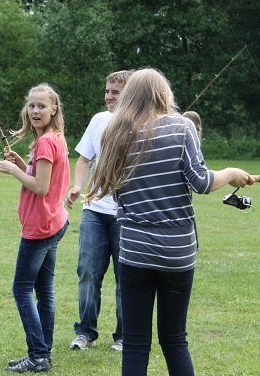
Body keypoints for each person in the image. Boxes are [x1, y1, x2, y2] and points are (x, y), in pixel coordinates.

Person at [85, 68, 255, 376]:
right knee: (175, 340)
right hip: (178, 253)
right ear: (164, 95)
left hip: (135, 252)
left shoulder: (115, 133)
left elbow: (115, 191)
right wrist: (231, 173)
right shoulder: (183, 126)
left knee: (135, 344)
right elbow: (202, 182)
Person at [0, 84, 70, 373]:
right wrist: (22, 165)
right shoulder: (54, 138)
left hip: (40, 227)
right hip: (54, 222)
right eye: (31, 106)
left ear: (54, 109)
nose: (35, 111)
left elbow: (40, 187)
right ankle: (43, 353)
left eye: (41, 106)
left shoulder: (46, 142)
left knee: (22, 288)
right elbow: (40, 177)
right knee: (45, 291)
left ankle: (38, 355)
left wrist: (14, 170)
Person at [66, 70, 133, 352]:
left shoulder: (141, 124)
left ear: (130, 93)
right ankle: (85, 332)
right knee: (88, 272)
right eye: (107, 91)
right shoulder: (98, 120)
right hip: (94, 210)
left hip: (126, 214)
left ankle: (125, 336)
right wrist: (77, 186)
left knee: (126, 276)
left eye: (115, 92)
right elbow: (84, 159)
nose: (109, 97)